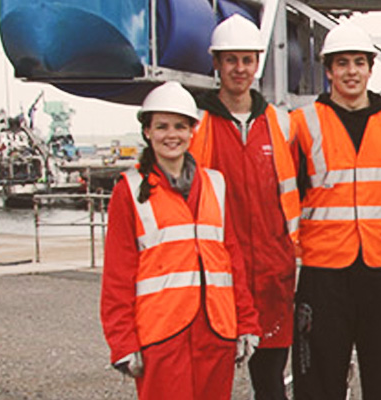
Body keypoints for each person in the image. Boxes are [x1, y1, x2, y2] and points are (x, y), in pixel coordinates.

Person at [100, 82, 261, 399]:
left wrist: (246, 324)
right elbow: (118, 275)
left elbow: (233, 263)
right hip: (161, 334)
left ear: (192, 131)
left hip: (216, 330)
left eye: (179, 126)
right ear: (147, 131)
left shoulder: (215, 184)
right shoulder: (129, 190)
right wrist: (122, 341)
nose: (171, 135)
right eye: (161, 126)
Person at [288, 23, 381, 400]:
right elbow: (292, 194)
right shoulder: (302, 124)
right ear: (328, 70)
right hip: (324, 271)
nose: (351, 71)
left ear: (370, 68)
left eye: (359, 62)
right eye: (342, 63)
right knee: (317, 377)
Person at [185, 15, 300, 399]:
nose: (239, 69)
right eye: (230, 60)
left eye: (247, 60)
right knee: (208, 378)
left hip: (273, 272)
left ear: (257, 63)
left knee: (269, 382)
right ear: (216, 64)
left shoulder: (280, 124)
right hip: (216, 273)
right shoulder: (196, 124)